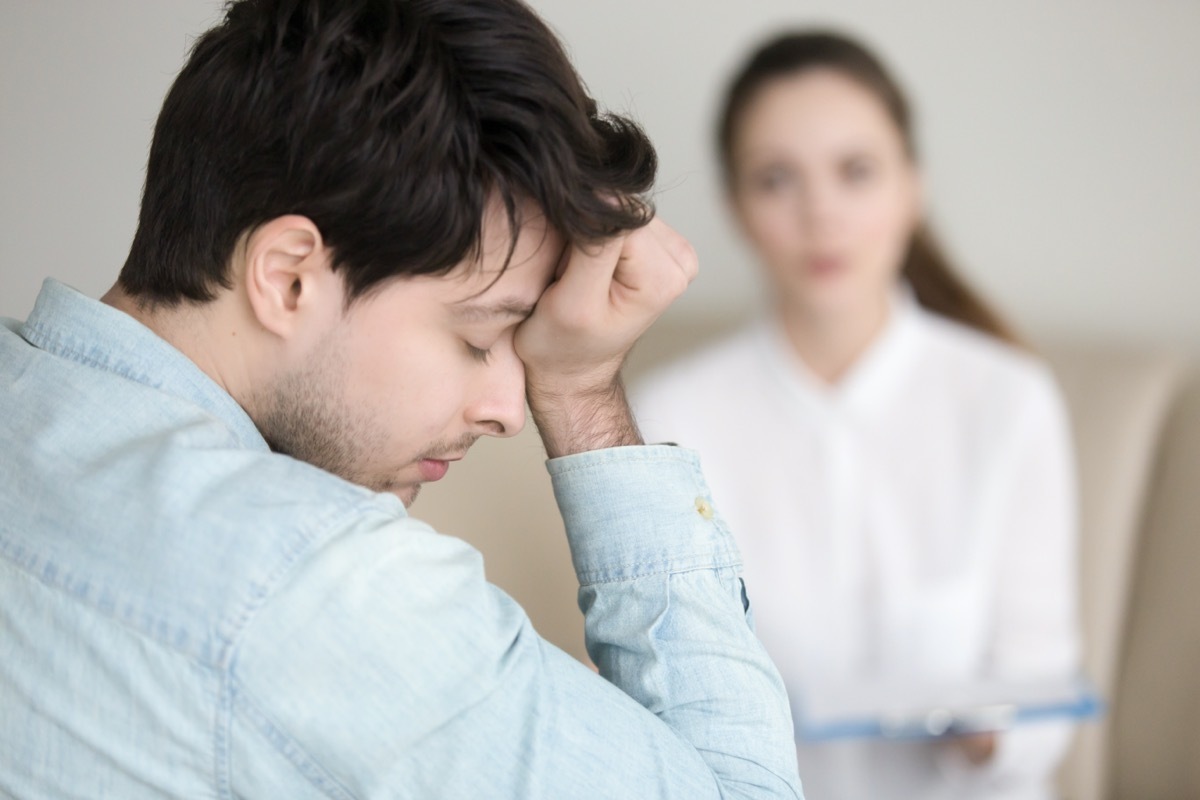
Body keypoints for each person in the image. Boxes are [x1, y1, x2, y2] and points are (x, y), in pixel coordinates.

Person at [0, 2, 804, 797]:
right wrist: (584, 393)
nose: (508, 409)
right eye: (478, 336)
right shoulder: (322, 585)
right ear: (288, 278)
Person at [632, 31, 1081, 800]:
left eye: (856, 171)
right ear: (735, 206)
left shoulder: (1009, 398)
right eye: (777, 179)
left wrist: (989, 731)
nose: (822, 213)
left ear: (913, 186)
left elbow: (1044, 698)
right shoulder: (671, 414)